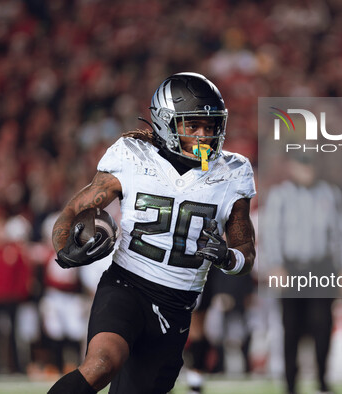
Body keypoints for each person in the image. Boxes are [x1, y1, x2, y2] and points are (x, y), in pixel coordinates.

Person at [47, 72, 256, 394]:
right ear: (166, 123)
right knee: (102, 363)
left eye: (210, 126)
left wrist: (228, 257)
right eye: (193, 125)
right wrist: (65, 250)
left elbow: (246, 251)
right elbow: (72, 212)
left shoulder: (233, 171)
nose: (203, 135)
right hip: (127, 285)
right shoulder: (132, 155)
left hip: (179, 303)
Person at [262, 154, 342, 394]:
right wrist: (275, 265)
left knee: (323, 325)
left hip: (321, 267)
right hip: (291, 268)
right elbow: (271, 233)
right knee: (291, 328)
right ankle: (291, 384)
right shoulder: (280, 195)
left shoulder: (329, 193)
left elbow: (340, 235)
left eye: (310, 165)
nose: (307, 170)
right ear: (293, 167)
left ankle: (322, 381)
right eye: (303, 165)